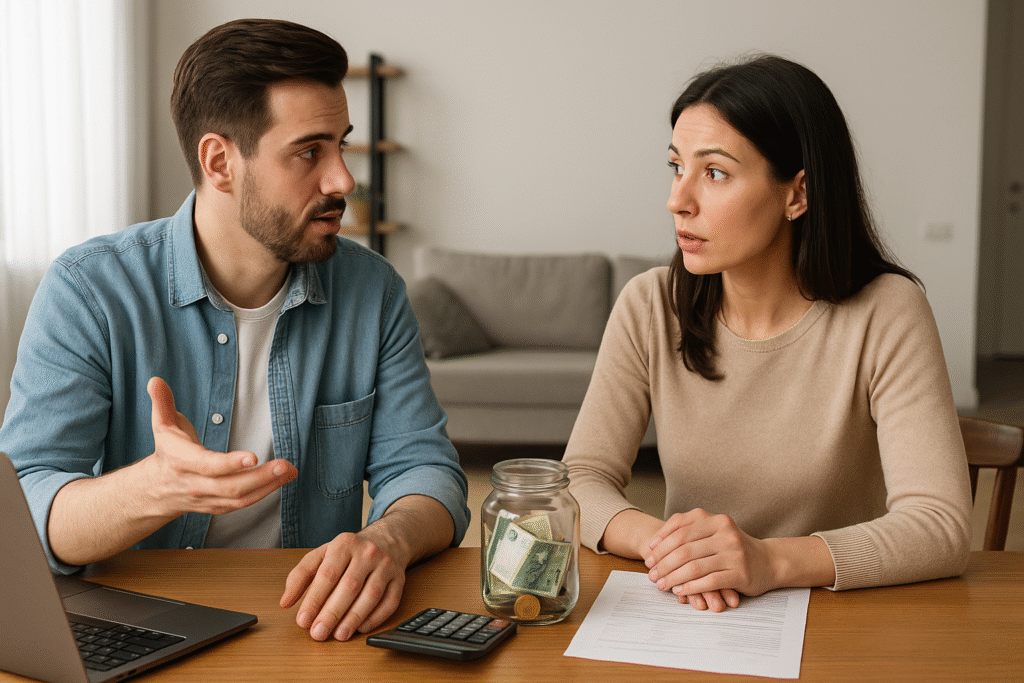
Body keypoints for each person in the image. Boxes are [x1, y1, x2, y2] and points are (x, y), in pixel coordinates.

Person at [0, 18, 470, 643]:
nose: (343, 181)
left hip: (313, 625)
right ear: (220, 162)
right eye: (310, 151)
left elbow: (426, 469)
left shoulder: (372, 291)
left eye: (341, 145)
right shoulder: (89, 289)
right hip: (137, 625)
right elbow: (24, 512)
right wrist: (158, 487)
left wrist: (389, 538)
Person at [562, 54, 972, 612]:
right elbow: (578, 479)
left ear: (797, 194)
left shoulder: (888, 311)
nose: (677, 200)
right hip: (694, 613)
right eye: (676, 167)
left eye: (714, 173)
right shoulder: (650, 305)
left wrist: (768, 561)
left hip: (846, 620)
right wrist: (674, 550)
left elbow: (940, 525)